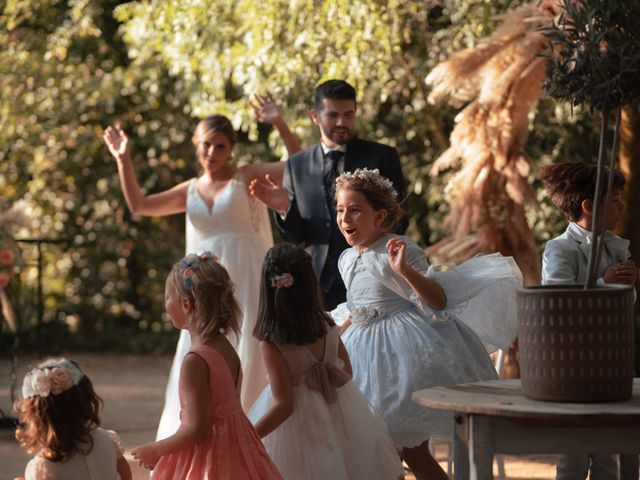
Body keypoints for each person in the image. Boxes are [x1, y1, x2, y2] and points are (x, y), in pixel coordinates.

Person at [103, 104, 300, 437]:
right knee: (199, 350)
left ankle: (251, 432)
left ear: (230, 148)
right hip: (203, 287)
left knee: (251, 347)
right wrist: (123, 160)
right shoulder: (189, 190)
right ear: (197, 145)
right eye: (207, 144)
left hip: (247, 277)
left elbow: (299, 165)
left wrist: (279, 122)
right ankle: (200, 428)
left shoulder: (247, 175)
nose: (213, 152)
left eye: (220, 145)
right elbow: (140, 205)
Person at [333, 168, 522, 480]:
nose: (345, 219)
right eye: (340, 210)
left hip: (401, 358)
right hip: (361, 355)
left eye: (355, 211)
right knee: (370, 445)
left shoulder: (397, 248)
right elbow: (357, 308)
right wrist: (334, 338)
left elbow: (437, 301)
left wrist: (404, 270)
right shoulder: (345, 258)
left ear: (379, 216)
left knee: (408, 449)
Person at [247, 243, 405, 480]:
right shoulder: (327, 324)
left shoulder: (272, 342)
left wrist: (249, 435)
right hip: (340, 413)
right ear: (310, 285)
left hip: (298, 431)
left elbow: (284, 405)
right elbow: (347, 371)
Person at [250, 79, 407, 309]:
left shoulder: (382, 157)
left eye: (348, 114)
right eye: (333, 115)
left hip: (375, 277)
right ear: (315, 116)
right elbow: (296, 238)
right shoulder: (297, 165)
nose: (342, 122)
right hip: (318, 285)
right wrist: (285, 208)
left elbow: (400, 219)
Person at [131, 252, 282, 479]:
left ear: (186, 304)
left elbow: (198, 428)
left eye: (167, 298)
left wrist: (156, 449)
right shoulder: (225, 347)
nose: (165, 304)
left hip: (211, 459)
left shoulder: (195, 361)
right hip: (238, 450)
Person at [539, 162, 638, 480]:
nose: (622, 207)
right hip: (574, 360)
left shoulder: (615, 245)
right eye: (616, 199)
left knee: (607, 446)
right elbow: (559, 302)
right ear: (589, 206)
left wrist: (627, 284)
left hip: (610, 357)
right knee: (575, 448)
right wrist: (604, 282)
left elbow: (623, 302)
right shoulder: (561, 250)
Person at [14, 358, 132, 480]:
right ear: (86, 400)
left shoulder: (42, 467)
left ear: (36, 417)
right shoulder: (107, 441)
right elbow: (127, 477)